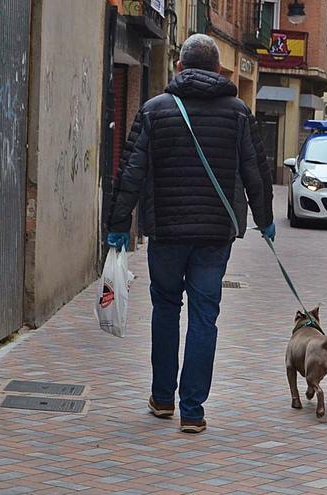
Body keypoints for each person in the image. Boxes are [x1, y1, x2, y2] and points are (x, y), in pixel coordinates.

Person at [106, 34, 275, 434]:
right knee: (205, 314)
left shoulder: (154, 110)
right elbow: (256, 171)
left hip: (165, 230)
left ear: (179, 68)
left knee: (165, 308)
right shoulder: (238, 113)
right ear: (219, 70)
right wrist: (264, 218)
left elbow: (130, 172)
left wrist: (117, 225)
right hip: (215, 232)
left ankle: (162, 398)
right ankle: (193, 411)